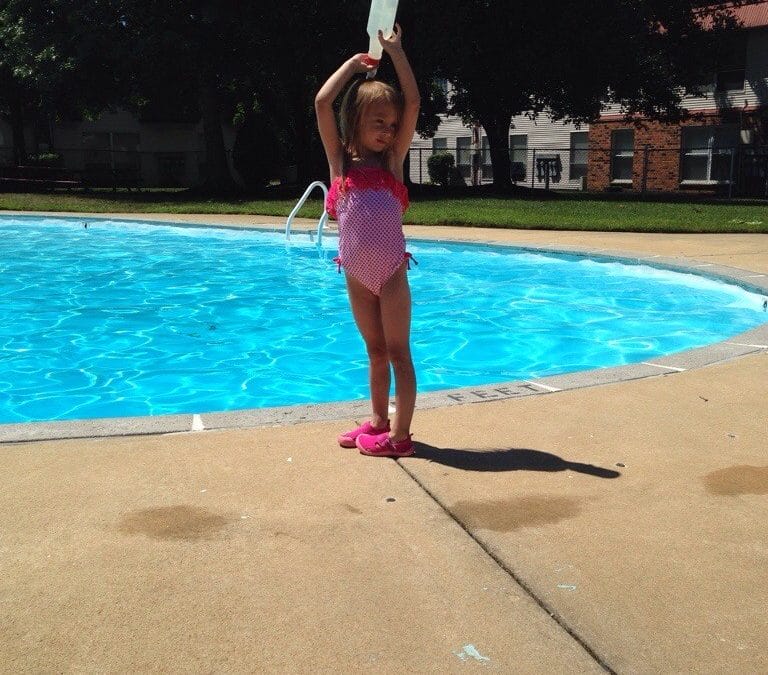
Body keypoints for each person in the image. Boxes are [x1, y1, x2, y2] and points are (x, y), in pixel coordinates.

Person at [315, 24, 420, 458]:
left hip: (392, 272)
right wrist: (353, 65)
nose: (388, 131)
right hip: (356, 275)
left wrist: (395, 52)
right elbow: (323, 102)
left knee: (398, 353)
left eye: (392, 125)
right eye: (379, 122)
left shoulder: (394, 162)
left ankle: (401, 437)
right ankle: (378, 421)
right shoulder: (340, 163)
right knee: (375, 351)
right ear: (356, 122)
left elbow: (412, 100)